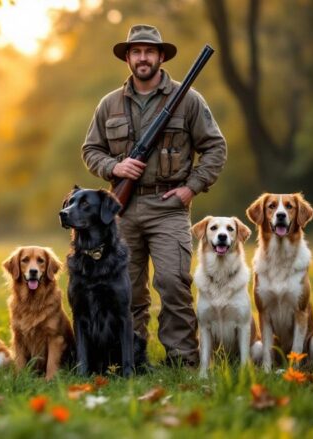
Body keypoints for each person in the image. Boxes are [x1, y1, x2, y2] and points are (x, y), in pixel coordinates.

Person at [81, 24, 226, 366]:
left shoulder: (188, 100)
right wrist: (115, 169)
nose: (142, 57)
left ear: (161, 56)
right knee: (125, 288)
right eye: (136, 52)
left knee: (173, 282)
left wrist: (191, 187)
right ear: (128, 58)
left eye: (149, 51)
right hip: (120, 210)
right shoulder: (109, 104)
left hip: (168, 207)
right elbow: (90, 150)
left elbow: (215, 147)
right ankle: (132, 357)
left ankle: (182, 359)